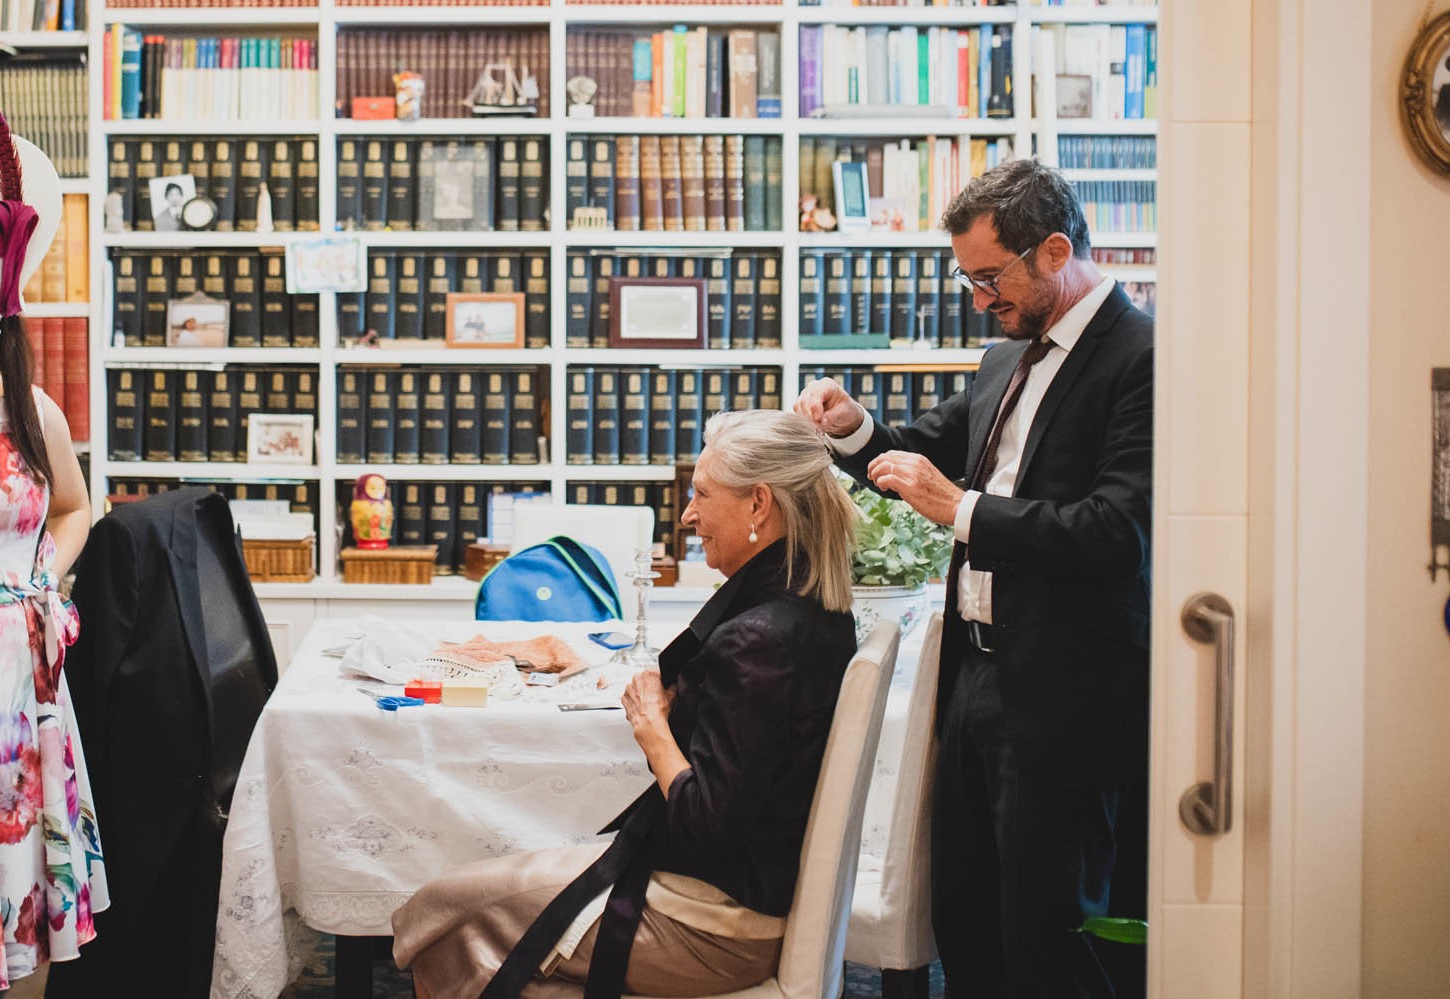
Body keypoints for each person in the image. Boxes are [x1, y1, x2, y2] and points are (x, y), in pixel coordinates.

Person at [796, 157, 1152, 999]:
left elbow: (1118, 531)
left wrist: (960, 509)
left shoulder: (1143, 357)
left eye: (990, 276)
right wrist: (855, 430)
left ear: (1056, 249)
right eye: (967, 277)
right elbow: (927, 448)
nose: (978, 297)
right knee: (966, 918)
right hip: (973, 679)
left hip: (1068, 699)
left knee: (1052, 940)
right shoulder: (1006, 358)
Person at [392, 409, 858, 999]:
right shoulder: (814, 608)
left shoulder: (758, 638)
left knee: (441, 913)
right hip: (746, 895)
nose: (688, 516)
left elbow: (708, 827)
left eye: (701, 495)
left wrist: (652, 727)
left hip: (716, 928)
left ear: (759, 505)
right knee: (454, 918)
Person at [0, 89, 108, 991]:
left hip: (24, 692)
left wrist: (40, 585)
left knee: (27, 909)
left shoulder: (30, 410)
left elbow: (74, 508)